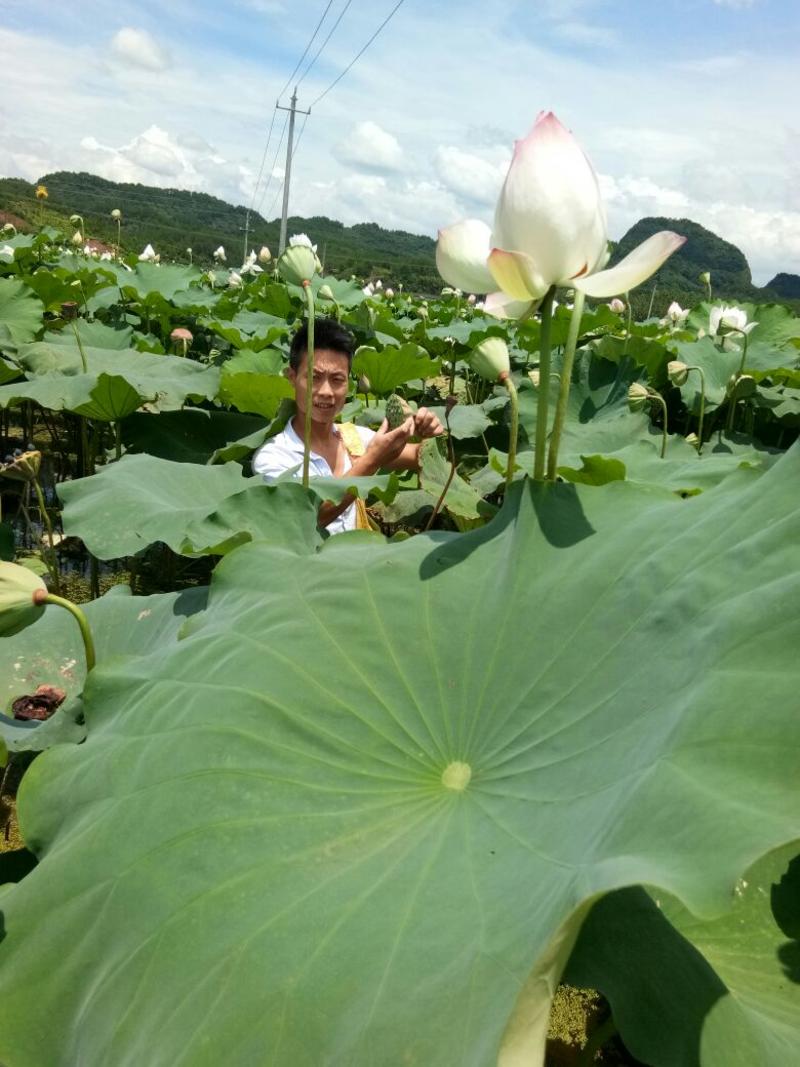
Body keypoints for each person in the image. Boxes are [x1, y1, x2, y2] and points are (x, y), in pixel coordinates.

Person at [252, 318, 444, 533]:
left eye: (337, 379)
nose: (326, 391)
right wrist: (371, 461)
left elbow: (420, 457)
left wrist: (427, 433)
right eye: (314, 377)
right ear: (292, 377)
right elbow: (302, 523)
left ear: (348, 386)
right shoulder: (274, 457)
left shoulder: (353, 438)